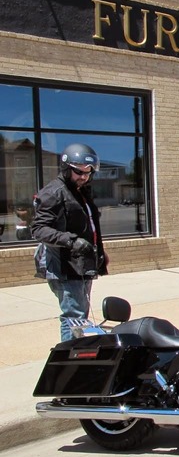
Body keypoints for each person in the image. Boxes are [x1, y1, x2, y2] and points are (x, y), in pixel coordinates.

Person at [31, 143, 108, 342]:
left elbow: (89, 224)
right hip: (65, 265)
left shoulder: (80, 191)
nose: (84, 177)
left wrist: (100, 251)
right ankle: (70, 361)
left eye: (88, 173)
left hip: (82, 264)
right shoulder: (53, 193)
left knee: (80, 315)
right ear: (66, 168)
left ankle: (78, 354)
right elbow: (39, 229)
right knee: (73, 317)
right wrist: (72, 241)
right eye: (79, 172)